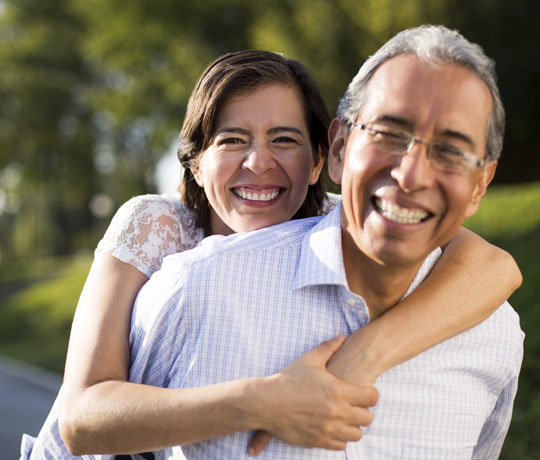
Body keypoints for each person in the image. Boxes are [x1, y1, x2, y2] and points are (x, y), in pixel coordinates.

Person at [22, 44, 521, 459]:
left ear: (319, 160)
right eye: (232, 140)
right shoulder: (160, 227)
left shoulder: (345, 214)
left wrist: (363, 358)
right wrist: (261, 401)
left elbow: (493, 267)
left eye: (284, 140)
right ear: (196, 165)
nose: (258, 163)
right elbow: (82, 415)